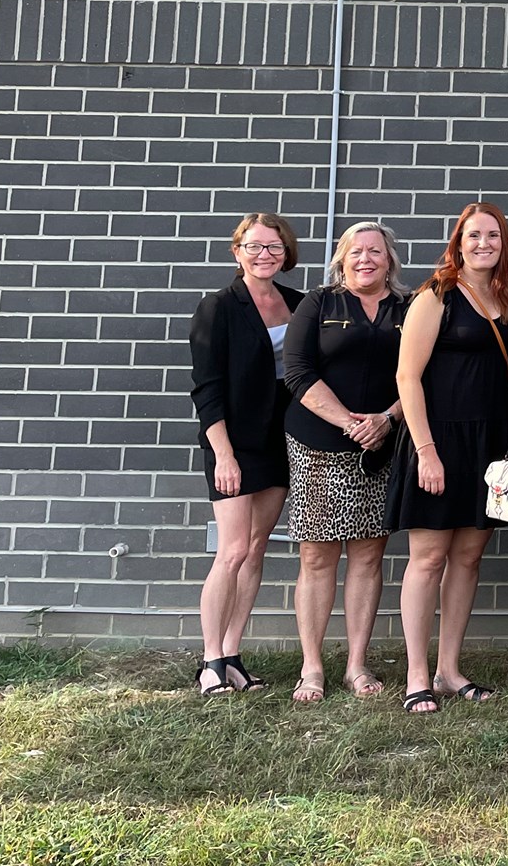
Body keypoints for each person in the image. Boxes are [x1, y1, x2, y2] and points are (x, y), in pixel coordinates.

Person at [386, 202, 508, 714]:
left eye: (493, 235)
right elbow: (407, 378)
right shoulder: (436, 295)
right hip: (438, 441)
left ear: (504, 242)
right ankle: (416, 675)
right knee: (427, 559)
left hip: (491, 446)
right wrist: (426, 451)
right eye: (474, 235)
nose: (483, 244)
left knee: (468, 557)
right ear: (458, 241)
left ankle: (450, 669)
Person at [281, 220, 410, 702]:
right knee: (316, 556)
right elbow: (297, 370)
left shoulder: (408, 307)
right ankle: (311, 666)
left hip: (382, 446)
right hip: (317, 443)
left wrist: (387, 420)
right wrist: (347, 422)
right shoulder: (319, 303)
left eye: (376, 252)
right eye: (356, 252)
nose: (366, 259)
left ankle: (357, 664)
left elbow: (418, 374)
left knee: (368, 555)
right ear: (342, 257)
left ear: (389, 260)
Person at [188, 211, 303, 696]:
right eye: (254, 246)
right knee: (232, 550)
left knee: (256, 548)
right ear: (237, 252)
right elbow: (206, 389)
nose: (264, 255)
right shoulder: (218, 306)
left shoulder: (299, 303)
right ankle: (210, 660)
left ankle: (233, 654)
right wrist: (224, 455)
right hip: (233, 443)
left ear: (286, 253)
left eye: (273, 247)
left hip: (280, 440)